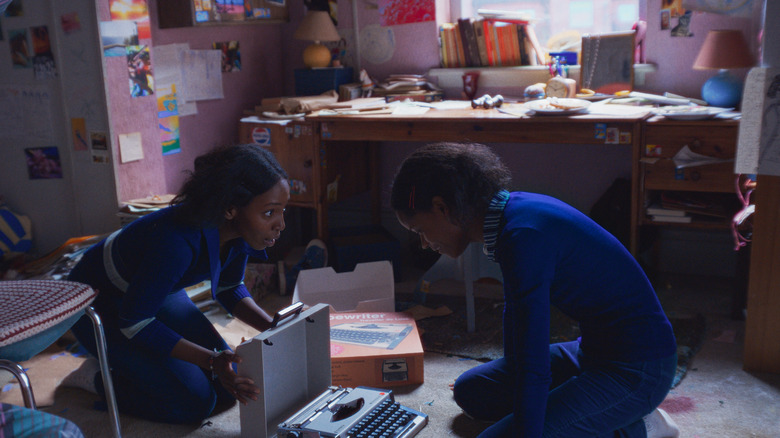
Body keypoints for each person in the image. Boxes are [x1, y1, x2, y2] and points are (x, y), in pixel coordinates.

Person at [390, 142, 680, 438]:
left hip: (638, 369)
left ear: (442, 207)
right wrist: (510, 378)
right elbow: (516, 314)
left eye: (420, 231)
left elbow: (534, 365)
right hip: (591, 351)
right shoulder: (510, 214)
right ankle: (597, 411)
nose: (424, 243)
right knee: (471, 391)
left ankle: (640, 426)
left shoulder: (524, 237)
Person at [64, 144, 289, 424]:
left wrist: (276, 329)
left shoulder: (237, 232)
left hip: (154, 294)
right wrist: (211, 359)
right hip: (99, 302)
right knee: (193, 404)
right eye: (269, 213)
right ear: (231, 209)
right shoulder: (176, 241)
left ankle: (131, 365)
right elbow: (135, 323)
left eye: (282, 211)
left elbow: (229, 289)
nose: (280, 224)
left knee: (226, 391)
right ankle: (98, 377)